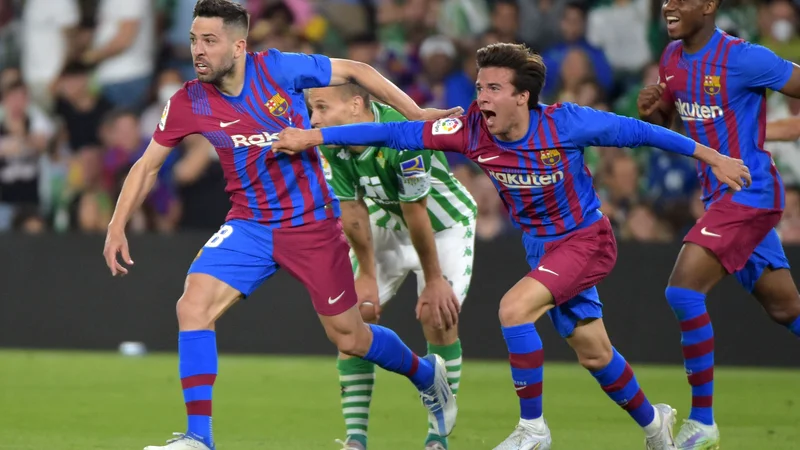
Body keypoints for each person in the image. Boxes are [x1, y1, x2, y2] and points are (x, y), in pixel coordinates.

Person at [272, 42, 751, 450]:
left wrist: (715, 158)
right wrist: (315, 135)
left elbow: (644, 132)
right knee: (594, 353)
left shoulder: (567, 124)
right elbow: (393, 130)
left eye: (494, 89)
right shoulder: (470, 132)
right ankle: (656, 425)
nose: (481, 98)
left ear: (523, 97)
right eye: (479, 87)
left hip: (585, 240)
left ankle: (532, 428)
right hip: (541, 247)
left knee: (513, 309)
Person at [101, 1, 463, 449]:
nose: (198, 50)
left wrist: (416, 114)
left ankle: (427, 375)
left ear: (239, 45)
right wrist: (118, 224)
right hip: (249, 225)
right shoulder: (187, 100)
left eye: (209, 41)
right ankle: (199, 438)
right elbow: (148, 165)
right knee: (192, 307)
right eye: (195, 39)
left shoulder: (277, 70)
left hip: (312, 226)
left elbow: (360, 70)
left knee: (350, 338)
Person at [637, 0, 800, 447]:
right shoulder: (671, 58)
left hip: (750, 192)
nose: (668, 6)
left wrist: (790, 128)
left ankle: (702, 422)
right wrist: (654, 109)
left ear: (708, 6)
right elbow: (671, 119)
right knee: (786, 309)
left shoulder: (746, 58)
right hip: (718, 199)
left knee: (682, 291)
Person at [308, 84, 478, 450]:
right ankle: (355, 439)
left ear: (355, 105)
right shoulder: (331, 142)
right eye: (311, 108)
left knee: (439, 316)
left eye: (321, 107)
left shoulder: (403, 136)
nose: (313, 119)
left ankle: (437, 438)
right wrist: (366, 274)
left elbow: (418, 213)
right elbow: (352, 211)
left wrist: (433, 280)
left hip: (444, 226)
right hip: (389, 224)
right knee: (350, 318)